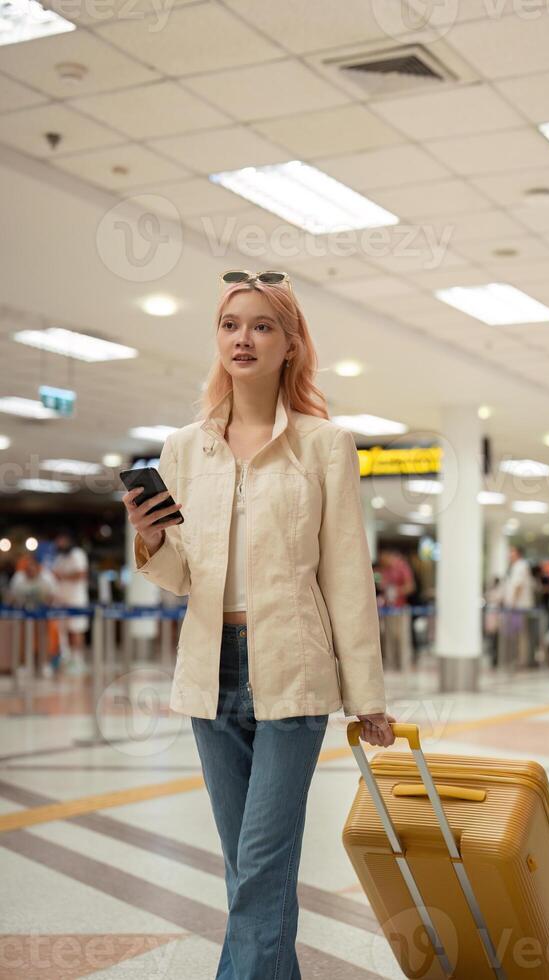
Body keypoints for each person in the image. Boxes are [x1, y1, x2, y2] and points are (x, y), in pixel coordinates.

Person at [123, 269, 396, 980]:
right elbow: (185, 574)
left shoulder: (323, 445)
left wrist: (366, 693)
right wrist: (148, 539)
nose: (243, 338)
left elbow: (344, 573)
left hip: (293, 669)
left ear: (290, 345)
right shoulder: (186, 447)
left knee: (263, 861)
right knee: (246, 866)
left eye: (262, 325)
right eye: (231, 324)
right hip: (211, 668)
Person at [51, 528, 90, 673]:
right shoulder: (59, 557)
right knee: (63, 631)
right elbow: (54, 575)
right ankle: (66, 658)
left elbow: (81, 574)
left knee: (76, 630)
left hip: (76, 599)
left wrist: (62, 576)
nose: (59, 543)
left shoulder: (77, 554)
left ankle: (78, 659)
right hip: (61, 599)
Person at [378, 547, 415, 673]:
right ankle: (391, 663)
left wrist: (397, 591)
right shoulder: (385, 570)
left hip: (400, 609)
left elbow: (410, 586)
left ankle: (404, 664)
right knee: (389, 637)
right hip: (388, 609)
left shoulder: (402, 567)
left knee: (402, 638)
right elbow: (382, 585)